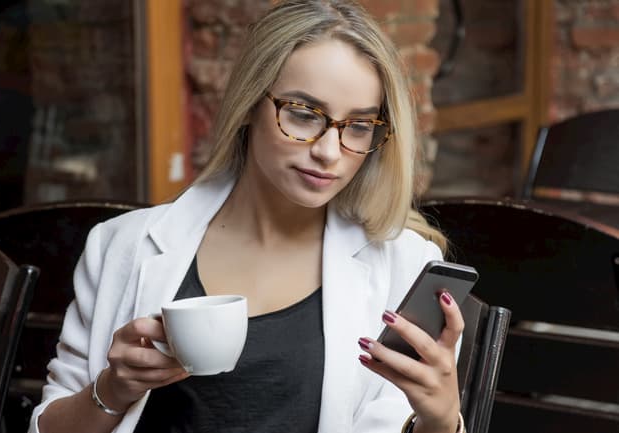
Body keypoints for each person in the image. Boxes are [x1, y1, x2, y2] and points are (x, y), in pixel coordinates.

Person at [29, 1, 466, 432]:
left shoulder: (405, 269)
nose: (329, 152)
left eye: (358, 125)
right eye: (302, 114)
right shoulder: (120, 246)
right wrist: (113, 388)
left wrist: (442, 422)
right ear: (249, 105)